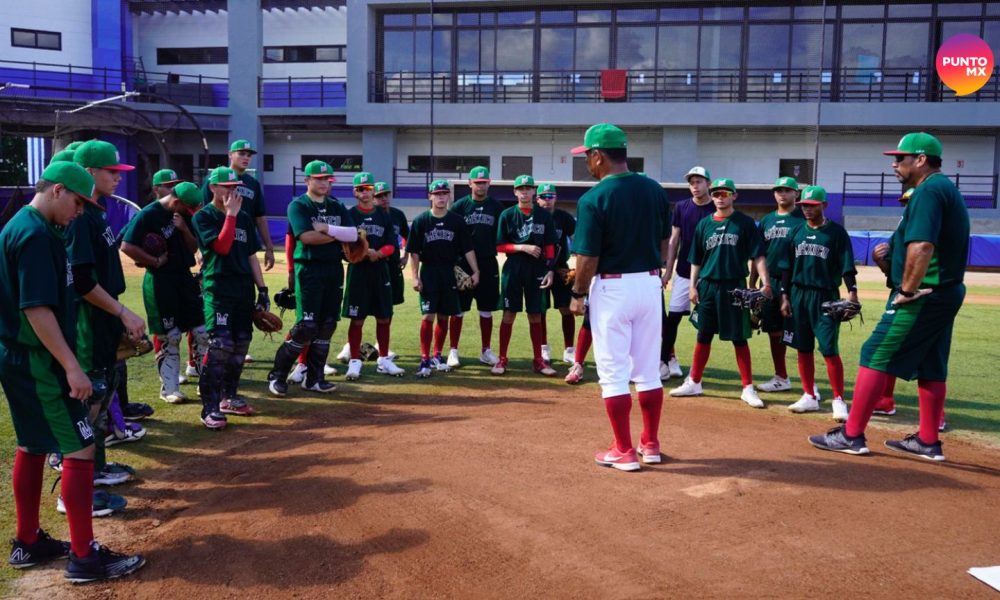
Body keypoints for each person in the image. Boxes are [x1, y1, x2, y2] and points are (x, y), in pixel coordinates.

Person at [1, 161, 145, 582]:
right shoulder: (33, 235)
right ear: (58, 190)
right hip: (40, 361)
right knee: (80, 449)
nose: (80, 211)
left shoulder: (27, 226)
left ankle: (28, 541)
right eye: (79, 202)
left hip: (23, 358)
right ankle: (85, 558)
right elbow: (37, 309)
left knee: (31, 444)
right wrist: (71, 366)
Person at [810, 132, 968, 460]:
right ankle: (927, 440)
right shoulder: (943, 188)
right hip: (945, 292)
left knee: (874, 353)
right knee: (931, 363)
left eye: (900, 158)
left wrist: (906, 290)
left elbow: (923, 246)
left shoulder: (928, 190)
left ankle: (851, 434)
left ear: (921, 160)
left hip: (924, 294)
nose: (895, 164)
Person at [568, 123, 670, 472]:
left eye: (587, 157)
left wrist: (578, 294)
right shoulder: (655, 190)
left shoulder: (593, 198)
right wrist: (658, 274)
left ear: (598, 156)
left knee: (613, 373)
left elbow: (587, 258)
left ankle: (623, 450)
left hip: (612, 287)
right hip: (650, 284)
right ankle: (651, 444)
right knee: (648, 371)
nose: (587, 164)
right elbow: (664, 241)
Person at [68, 140, 148, 508]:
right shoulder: (79, 216)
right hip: (90, 321)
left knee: (106, 389)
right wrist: (121, 312)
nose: (117, 177)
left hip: (105, 317)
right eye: (110, 171)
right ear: (89, 174)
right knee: (92, 398)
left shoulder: (96, 212)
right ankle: (76, 485)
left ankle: (95, 468)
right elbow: (82, 282)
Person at [669, 178, 770, 408]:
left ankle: (747, 388)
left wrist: (765, 283)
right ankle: (694, 381)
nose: (720, 197)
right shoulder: (704, 225)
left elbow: (758, 256)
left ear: (734, 196)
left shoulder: (744, 223)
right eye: (716, 194)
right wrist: (693, 286)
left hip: (734, 285)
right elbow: (695, 259)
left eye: (725, 193)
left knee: (739, 337)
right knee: (703, 334)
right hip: (708, 285)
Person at [266, 161, 355, 396]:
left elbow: (354, 234)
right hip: (309, 271)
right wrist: (338, 234)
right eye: (318, 179)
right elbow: (306, 237)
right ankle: (277, 376)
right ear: (307, 181)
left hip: (334, 269)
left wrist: (326, 229)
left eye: (327, 179)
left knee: (327, 325)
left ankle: (315, 379)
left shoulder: (336, 205)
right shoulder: (298, 205)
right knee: (306, 326)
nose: (324, 183)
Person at [192, 166, 268, 428]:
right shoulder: (204, 217)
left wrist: (263, 288)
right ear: (213, 188)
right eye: (227, 186)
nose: (232, 191)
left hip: (243, 289)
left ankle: (229, 397)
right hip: (219, 289)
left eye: (235, 187)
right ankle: (209, 408)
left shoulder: (245, 217)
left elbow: (250, 256)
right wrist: (231, 216)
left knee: (241, 344)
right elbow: (222, 247)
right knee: (220, 346)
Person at [121, 181, 209, 405]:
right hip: (160, 280)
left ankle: (207, 383)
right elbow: (127, 246)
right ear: (176, 201)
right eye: (187, 209)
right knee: (169, 335)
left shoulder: (183, 216)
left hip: (184, 276)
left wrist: (184, 228)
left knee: (201, 331)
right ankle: (169, 388)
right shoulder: (148, 214)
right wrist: (153, 260)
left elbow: (192, 248)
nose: (189, 213)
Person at [777, 186, 855, 421]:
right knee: (803, 347)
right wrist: (784, 296)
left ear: (824, 206)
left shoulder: (836, 233)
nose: (807, 210)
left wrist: (852, 292)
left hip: (825, 297)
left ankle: (839, 399)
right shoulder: (797, 232)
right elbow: (785, 268)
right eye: (804, 206)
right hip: (798, 295)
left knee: (829, 349)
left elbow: (846, 265)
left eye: (812, 206)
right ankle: (809, 394)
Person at [202, 139, 275, 364]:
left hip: (243, 244)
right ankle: (199, 358)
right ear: (230, 154)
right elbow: (205, 212)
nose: (245, 157)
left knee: (239, 333)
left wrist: (269, 247)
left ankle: (232, 350)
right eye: (241, 153)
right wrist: (200, 247)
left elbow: (259, 217)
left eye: (248, 154)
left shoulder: (252, 184)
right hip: (218, 250)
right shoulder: (213, 182)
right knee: (211, 316)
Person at [407, 180, 479, 378]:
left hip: (449, 272)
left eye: (444, 193)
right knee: (428, 315)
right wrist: (415, 277)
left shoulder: (456, 221)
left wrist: (476, 271)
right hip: (429, 272)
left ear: (449, 196)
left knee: (444, 315)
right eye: (437, 193)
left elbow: (467, 248)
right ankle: (424, 358)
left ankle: (437, 356)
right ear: (430, 196)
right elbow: (413, 252)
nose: (440, 197)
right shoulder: (421, 220)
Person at [492, 175, 558, 376]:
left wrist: (550, 269)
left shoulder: (544, 215)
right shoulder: (508, 214)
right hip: (514, 268)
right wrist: (522, 247)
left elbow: (550, 246)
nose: (525, 192)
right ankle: (502, 359)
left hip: (537, 269)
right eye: (521, 189)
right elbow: (500, 245)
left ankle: (538, 360)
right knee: (509, 313)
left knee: (535, 314)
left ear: (534, 192)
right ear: (515, 192)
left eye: (529, 189)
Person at [343, 172, 404, 380]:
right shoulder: (350, 214)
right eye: (361, 189)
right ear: (355, 192)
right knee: (357, 319)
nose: (365, 193)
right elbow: (346, 244)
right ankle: (354, 361)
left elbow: (391, 243)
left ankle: (384, 359)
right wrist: (362, 252)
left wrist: (379, 253)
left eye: (368, 189)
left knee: (384, 317)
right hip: (358, 271)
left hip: (380, 269)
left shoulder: (383, 215)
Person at [660, 167, 715, 381]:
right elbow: (674, 241)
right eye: (692, 182)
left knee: (705, 324)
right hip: (683, 272)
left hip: (709, 274)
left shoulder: (715, 207)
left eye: (699, 181)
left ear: (708, 184)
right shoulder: (681, 207)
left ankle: (696, 373)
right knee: (673, 319)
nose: (695, 186)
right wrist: (668, 272)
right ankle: (665, 361)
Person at [752, 177, 805, 394]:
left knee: (801, 332)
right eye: (778, 190)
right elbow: (758, 254)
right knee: (773, 331)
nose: (782, 194)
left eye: (787, 190)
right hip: (770, 282)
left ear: (796, 194)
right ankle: (781, 376)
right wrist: (753, 281)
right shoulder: (766, 221)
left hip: (796, 282)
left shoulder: (803, 219)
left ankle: (809, 385)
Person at [447, 166, 503, 368]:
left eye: (484, 182)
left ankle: (486, 350)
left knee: (486, 309)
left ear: (489, 183)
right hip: (463, 264)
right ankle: (453, 350)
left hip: (488, 261)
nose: (481, 185)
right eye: (477, 182)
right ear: (470, 183)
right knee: (459, 309)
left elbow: (502, 235)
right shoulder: (459, 207)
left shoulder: (497, 207)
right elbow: (451, 234)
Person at [535, 183, 577, 366]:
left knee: (566, 308)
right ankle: (544, 348)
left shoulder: (564, 218)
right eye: (543, 196)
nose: (547, 200)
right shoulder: (533, 217)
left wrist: (578, 265)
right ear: (537, 199)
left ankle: (569, 349)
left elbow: (579, 239)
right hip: (537, 268)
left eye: (550, 196)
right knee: (540, 309)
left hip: (560, 268)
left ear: (556, 198)